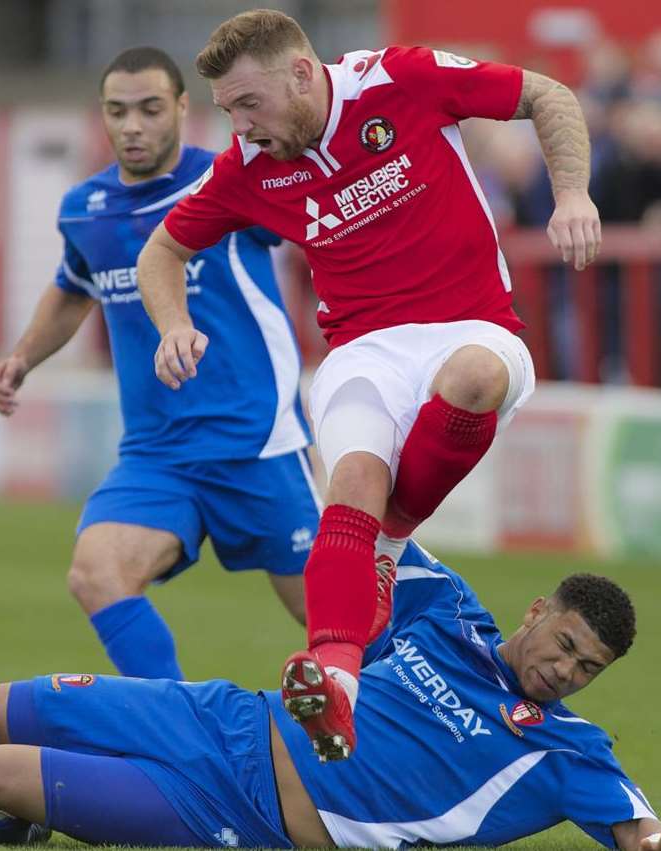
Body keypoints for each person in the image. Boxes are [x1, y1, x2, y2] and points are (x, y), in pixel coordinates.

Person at [134, 9, 602, 759]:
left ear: (299, 72)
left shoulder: (399, 79)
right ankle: (336, 687)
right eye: (227, 110)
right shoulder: (247, 168)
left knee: (473, 378)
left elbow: (548, 95)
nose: (240, 126)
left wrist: (571, 194)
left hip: (473, 323)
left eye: (248, 104)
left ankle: (390, 536)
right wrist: (171, 324)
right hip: (363, 350)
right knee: (352, 477)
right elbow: (160, 251)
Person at [0, 543, 661, 851]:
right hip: (228, 715)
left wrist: (659, 843)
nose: (565, 672)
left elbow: (638, 827)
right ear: (537, 612)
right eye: (565, 646)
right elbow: (376, 519)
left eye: (588, 669)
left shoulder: (565, 748)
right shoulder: (447, 610)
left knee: (4, 776)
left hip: (240, 810)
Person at [0, 47, 319, 680]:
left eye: (149, 109)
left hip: (257, 443)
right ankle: (174, 732)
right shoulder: (86, 208)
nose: (132, 125)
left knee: (337, 624)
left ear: (183, 109)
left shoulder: (233, 178)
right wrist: (22, 358)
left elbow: (323, 226)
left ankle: (440, 734)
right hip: (158, 454)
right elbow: (73, 287)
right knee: (97, 572)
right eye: (117, 111)